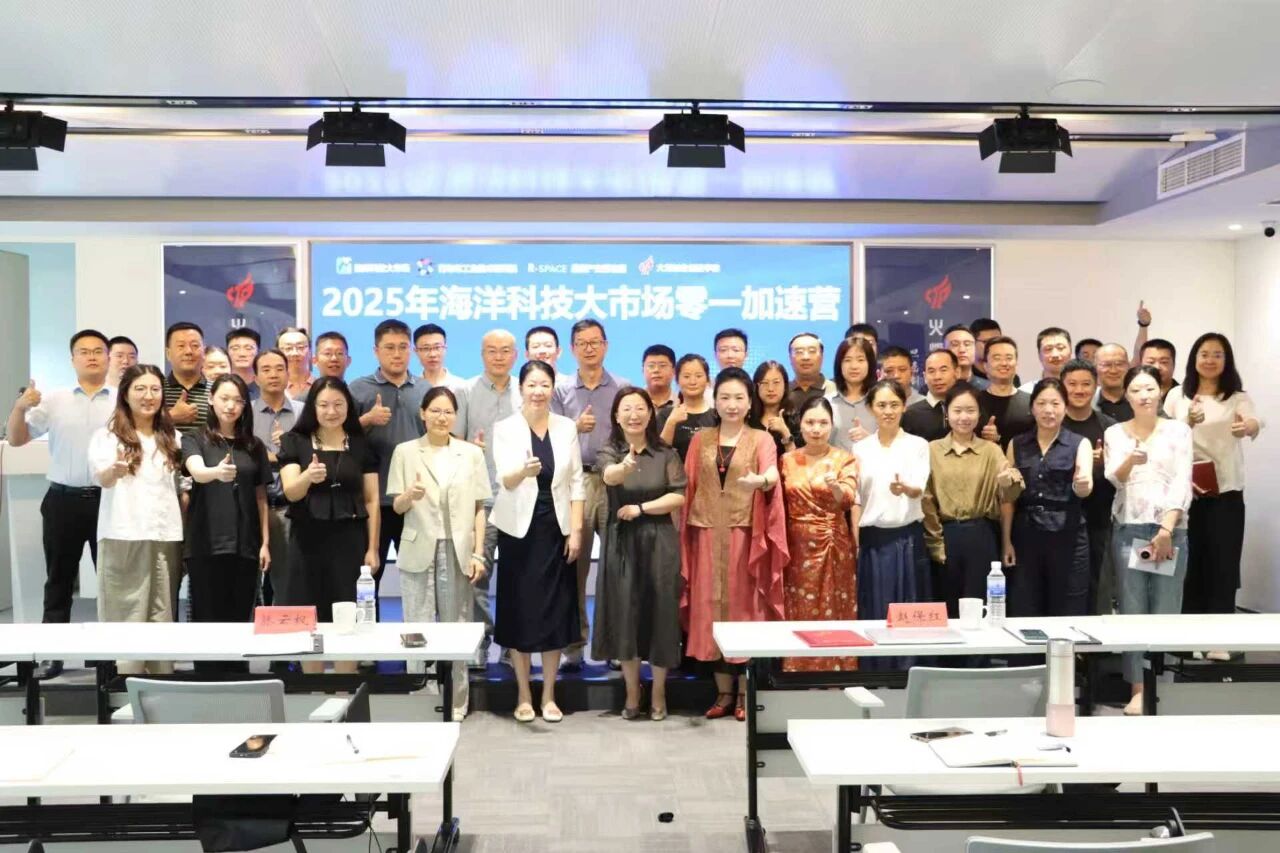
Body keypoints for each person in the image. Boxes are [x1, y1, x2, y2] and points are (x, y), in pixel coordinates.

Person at [6, 330, 114, 679]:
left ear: (108, 357)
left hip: (109, 502)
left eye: (98, 351)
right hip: (62, 500)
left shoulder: (121, 400)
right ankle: (52, 655)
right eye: (84, 351)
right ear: (73, 359)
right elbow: (17, 439)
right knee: (59, 580)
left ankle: (107, 658)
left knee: (109, 584)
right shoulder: (53, 400)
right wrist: (20, 407)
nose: (91, 356)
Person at [680, 367, 787, 720]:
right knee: (710, 609)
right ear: (715, 400)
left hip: (746, 535)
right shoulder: (700, 440)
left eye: (739, 397)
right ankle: (723, 693)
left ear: (750, 402)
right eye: (724, 397)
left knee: (744, 609)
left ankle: (744, 694)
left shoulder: (761, 439)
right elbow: (690, 486)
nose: (732, 404)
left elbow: (772, 474)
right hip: (706, 533)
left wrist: (761, 481)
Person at [388, 386, 490, 719]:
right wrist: (410, 495)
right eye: (435, 411)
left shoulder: (470, 454)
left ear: (456, 416)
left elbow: (479, 508)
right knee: (416, 626)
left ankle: (456, 701)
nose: (441, 417)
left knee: (456, 625)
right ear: (423, 413)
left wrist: (478, 553)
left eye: (448, 412)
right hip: (418, 546)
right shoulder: (405, 452)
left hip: (457, 549)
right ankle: (421, 698)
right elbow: (397, 506)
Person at [491, 360, 585, 722]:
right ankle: (523, 694)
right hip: (518, 532)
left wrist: (575, 530)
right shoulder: (505, 428)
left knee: (554, 613)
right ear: (521, 388)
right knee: (520, 612)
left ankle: (548, 695)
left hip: (555, 529)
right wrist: (523, 471)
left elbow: (576, 482)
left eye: (544, 384)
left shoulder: (566, 427)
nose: (538, 391)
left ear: (552, 388)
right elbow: (505, 479)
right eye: (531, 384)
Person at [593, 387, 687, 719]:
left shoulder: (666, 453)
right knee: (625, 615)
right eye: (627, 409)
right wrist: (625, 466)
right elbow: (609, 476)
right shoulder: (609, 451)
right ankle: (633, 690)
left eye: (640, 408)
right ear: (616, 416)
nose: (634, 414)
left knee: (661, 614)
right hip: (622, 542)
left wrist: (642, 508)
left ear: (650, 413)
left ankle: (659, 690)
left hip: (659, 540)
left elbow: (678, 496)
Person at [1105, 365, 1193, 714]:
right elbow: (1114, 478)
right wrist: (1130, 459)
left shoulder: (1179, 431)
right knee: (1133, 609)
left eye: (1150, 388)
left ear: (1161, 391)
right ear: (1126, 396)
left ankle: (1163, 685)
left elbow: (1182, 481)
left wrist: (1166, 530)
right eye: (1136, 390)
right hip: (1130, 528)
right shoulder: (1115, 432)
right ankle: (1139, 688)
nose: (1144, 396)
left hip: (1170, 531)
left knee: (1166, 608)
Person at [278, 377, 380, 675]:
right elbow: (290, 492)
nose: (331, 411)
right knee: (309, 611)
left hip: (350, 539)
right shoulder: (294, 441)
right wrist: (307, 477)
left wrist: (373, 548)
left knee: (349, 611)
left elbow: (372, 499)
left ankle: (346, 685)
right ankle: (313, 684)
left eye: (338, 404)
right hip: (307, 539)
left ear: (349, 406)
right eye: (323, 405)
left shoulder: (360, 443)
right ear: (313, 407)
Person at [88, 364, 184, 675]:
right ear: (126, 395)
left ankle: (161, 682)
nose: (148, 396)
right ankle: (124, 683)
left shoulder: (173, 437)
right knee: (125, 614)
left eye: (155, 389)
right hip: (123, 534)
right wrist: (113, 471)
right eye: (140, 389)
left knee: (162, 613)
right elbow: (101, 478)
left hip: (165, 535)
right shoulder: (107, 436)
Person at [1163, 333, 1262, 622]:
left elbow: (1254, 421)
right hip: (1184, 493)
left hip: (1225, 494)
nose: (1210, 360)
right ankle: (1189, 631)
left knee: (1223, 564)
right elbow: (1163, 436)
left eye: (1217, 355)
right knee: (1189, 563)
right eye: (1204, 354)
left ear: (1226, 361)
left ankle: (1220, 633)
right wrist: (1187, 422)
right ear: (1194, 359)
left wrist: (1248, 427)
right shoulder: (1177, 396)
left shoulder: (1236, 397)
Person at [551, 318, 630, 670]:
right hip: (577, 483)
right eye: (582, 342)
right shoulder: (560, 389)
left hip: (615, 483)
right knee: (574, 568)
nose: (589, 348)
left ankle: (615, 645)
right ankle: (573, 645)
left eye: (595, 341)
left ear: (606, 345)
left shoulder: (623, 388)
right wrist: (574, 427)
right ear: (572, 349)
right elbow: (549, 435)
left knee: (616, 568)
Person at [182, 375, 271, 641]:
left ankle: (236, 667)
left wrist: (265, 543)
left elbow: (261, 497)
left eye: (238, 400)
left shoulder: (254, 446)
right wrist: (216, 473)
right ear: (211, 400)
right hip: (205, 543)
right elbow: (197, 471)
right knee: (206, 620)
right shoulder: (194, 438)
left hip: (246, 545)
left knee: (240, 621)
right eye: (224, 398)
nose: (230, 406)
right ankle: (208, 668)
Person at [922, 382, 1022, 616]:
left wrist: (1009, 481)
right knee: (947, 607)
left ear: (979, 414)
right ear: (947, 413)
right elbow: (927, 499)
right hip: (945, 534)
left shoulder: (991, 450)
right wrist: (935, 543)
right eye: (957, 410)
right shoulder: (932, 450)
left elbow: (1010, 494)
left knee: (979, 606)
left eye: (970, 410)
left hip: (981, 534)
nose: (964, 417)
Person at [349, 319, 430, 593]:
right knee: (369, 577)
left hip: (414, 499)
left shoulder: (425, 390)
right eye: (389, 347)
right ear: (376, 351)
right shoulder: (358, 388)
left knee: (418, 579)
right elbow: (340, 436)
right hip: (373, 500)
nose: (397, 354)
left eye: (403, 347)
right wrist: (366, 420)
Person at [456, 329, 522, 667]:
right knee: (477, 575)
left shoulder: (526, 391)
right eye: (492, 350)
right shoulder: (466, 391)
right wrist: (471, 448)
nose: (499, 356)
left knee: (516, 577)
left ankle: (513, 644)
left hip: (519, 500)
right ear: (482, 354)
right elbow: (453, 441)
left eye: (505, 350)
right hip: (480, 501)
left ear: (516, 355)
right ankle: (480, 642)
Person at [780, 396, 860, 672]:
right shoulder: (787, 460)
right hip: (796, 544)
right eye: (810, 422)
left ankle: (836, 672)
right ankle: (797, 671)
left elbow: (848, 498)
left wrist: (835, 487)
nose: (816, 429)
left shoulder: (844, 458)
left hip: (832, 542)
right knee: (798, 604)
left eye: (823, 423)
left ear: (832, 425)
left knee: (835, 605)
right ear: (800, 424)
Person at [1002, 379, 1093, 617]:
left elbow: (1084, 487)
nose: (1048, 410)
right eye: (1041, 403)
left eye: (1055, 403)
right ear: (1032, 408)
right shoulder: (1017, 444)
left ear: (1065, 407)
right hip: (1026, 536)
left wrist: (1082, 484)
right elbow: (1008, 498)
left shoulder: (1079, 443)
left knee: (1068, 605)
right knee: (1025, 606)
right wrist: (1006, 540)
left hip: (1068, 536)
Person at [1059, 359, 1117, 614]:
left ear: (1096, 386)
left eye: (1086, 384)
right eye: (1072, 384)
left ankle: (1095, 636)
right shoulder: (1053, 424)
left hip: (1099, 517)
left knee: (1097, 583)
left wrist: (1106, 463)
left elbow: (1122, 473)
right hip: (1061, 517)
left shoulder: (1110, 427)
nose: (1079, 390)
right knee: (1064, 584)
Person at [250, 348, 297, 607]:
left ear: (289, 374)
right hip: (253, 507)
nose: (274, 374)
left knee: (287, 585)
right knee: (250, 585)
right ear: (255, 377)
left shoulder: (303, 412)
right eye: (266, 370)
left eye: (280, 369)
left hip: (289, 509)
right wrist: (277, 457)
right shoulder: (244, 413)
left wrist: (282, 452)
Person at [977, 336, 1034, 450]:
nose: (1004, 363)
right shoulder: (975, 402)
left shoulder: (1031, 402)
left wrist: (998, 438)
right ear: (985, 366)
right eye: (997, 358)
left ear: (1016, 364)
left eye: (1009, 358)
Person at [659, 353, 718, 461]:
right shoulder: (666, 415)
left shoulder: (717, 416)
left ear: (707, 380)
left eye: (698, 376)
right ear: (677, 380)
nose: (692, 382)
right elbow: (658, 456)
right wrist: (671, 423)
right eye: (686, 376)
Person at [828, 335, 876, 453]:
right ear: (839, 365)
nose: (854, 366)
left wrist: (871, 440)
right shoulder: (827, 403)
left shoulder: (881, 401)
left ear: (870, 364)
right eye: (847, 360)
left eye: (860, 360)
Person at [162, 321, 209, 436]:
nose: (188, 351)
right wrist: (170, 417)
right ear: (168, 353)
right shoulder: (156, 390)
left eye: (195, 346)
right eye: (181, 346)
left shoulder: (217, 391)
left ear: (204, 352)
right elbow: (138, 427)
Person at [901, 349, 957, 441]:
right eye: (931, 371)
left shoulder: (970, 407)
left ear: (957, 372)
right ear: (924, 376)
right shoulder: (910, 414)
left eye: (943, 370)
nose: (937, 377)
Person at [750, 360, 800, 457]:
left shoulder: (794, 418)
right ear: (756, 386)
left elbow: (799, 461)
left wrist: (785, 432)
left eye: (776, 382)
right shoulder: (748, 418)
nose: (771, 389)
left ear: (785, 385)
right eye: (765, 383)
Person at [786, 332, 837, 413]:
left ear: (822, 357)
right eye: (799, 352)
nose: (805, 357)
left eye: (812, 351)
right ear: (790, 358)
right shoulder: (781, 393)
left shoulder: (836, 392)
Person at [1019, 327, 1072, 393]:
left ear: (1070, 351)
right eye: (1048, 349)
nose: (1055, 355)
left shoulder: (1081, 390)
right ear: (1039, 355)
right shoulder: (1026, 392)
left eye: (1060, 348)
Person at [1094, 343, 1135, 422]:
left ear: (1128, 366)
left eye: (1119, 364)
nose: (1113, 371)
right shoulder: (1087, 401)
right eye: (1106, 365)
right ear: (1095, 368)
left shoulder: (1142, 400)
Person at [413, 323, 461, 387]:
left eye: (437, 347)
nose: (432, 354)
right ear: (416, 351)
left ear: (445, 348)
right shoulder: (411, 388)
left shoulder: (460, 386)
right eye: (426, 348)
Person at [943, 324, 988, 390]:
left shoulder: (989, 388)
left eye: (967, 344)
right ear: (944, 350)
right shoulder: (937, 387)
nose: (962, 350)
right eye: (955, 344)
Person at [277, 327, 315, 400]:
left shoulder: (321, 386)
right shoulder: (272, 387)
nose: (295, 353)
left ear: (310, 351)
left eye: (300, 347)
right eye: (288, 348)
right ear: (278, 353)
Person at [642, 344, 676, 421]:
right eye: (651, 366)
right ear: (642, 370)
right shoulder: (633, 402)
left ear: (674, 371)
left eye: (662, 366)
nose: (656, 370)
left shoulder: (682, 403)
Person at [1140, 339, 1179, 404]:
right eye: (1151, 362)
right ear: (1140, 365)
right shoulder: (1131, 396)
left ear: (1173, 365)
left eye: (1164, 362)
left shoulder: (1183, 397)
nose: (1157, 367)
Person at [225, 328, 261, 397]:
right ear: (227, 352)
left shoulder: (266, 385)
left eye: (248, 348)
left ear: (258, 351)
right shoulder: (219, 385)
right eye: (235, 348)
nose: (242, 354)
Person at [969, 318, 1002, 383]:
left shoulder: (1010, 377)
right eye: (986, 342)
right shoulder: (965, 377)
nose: (993, 346)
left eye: (997, 341)